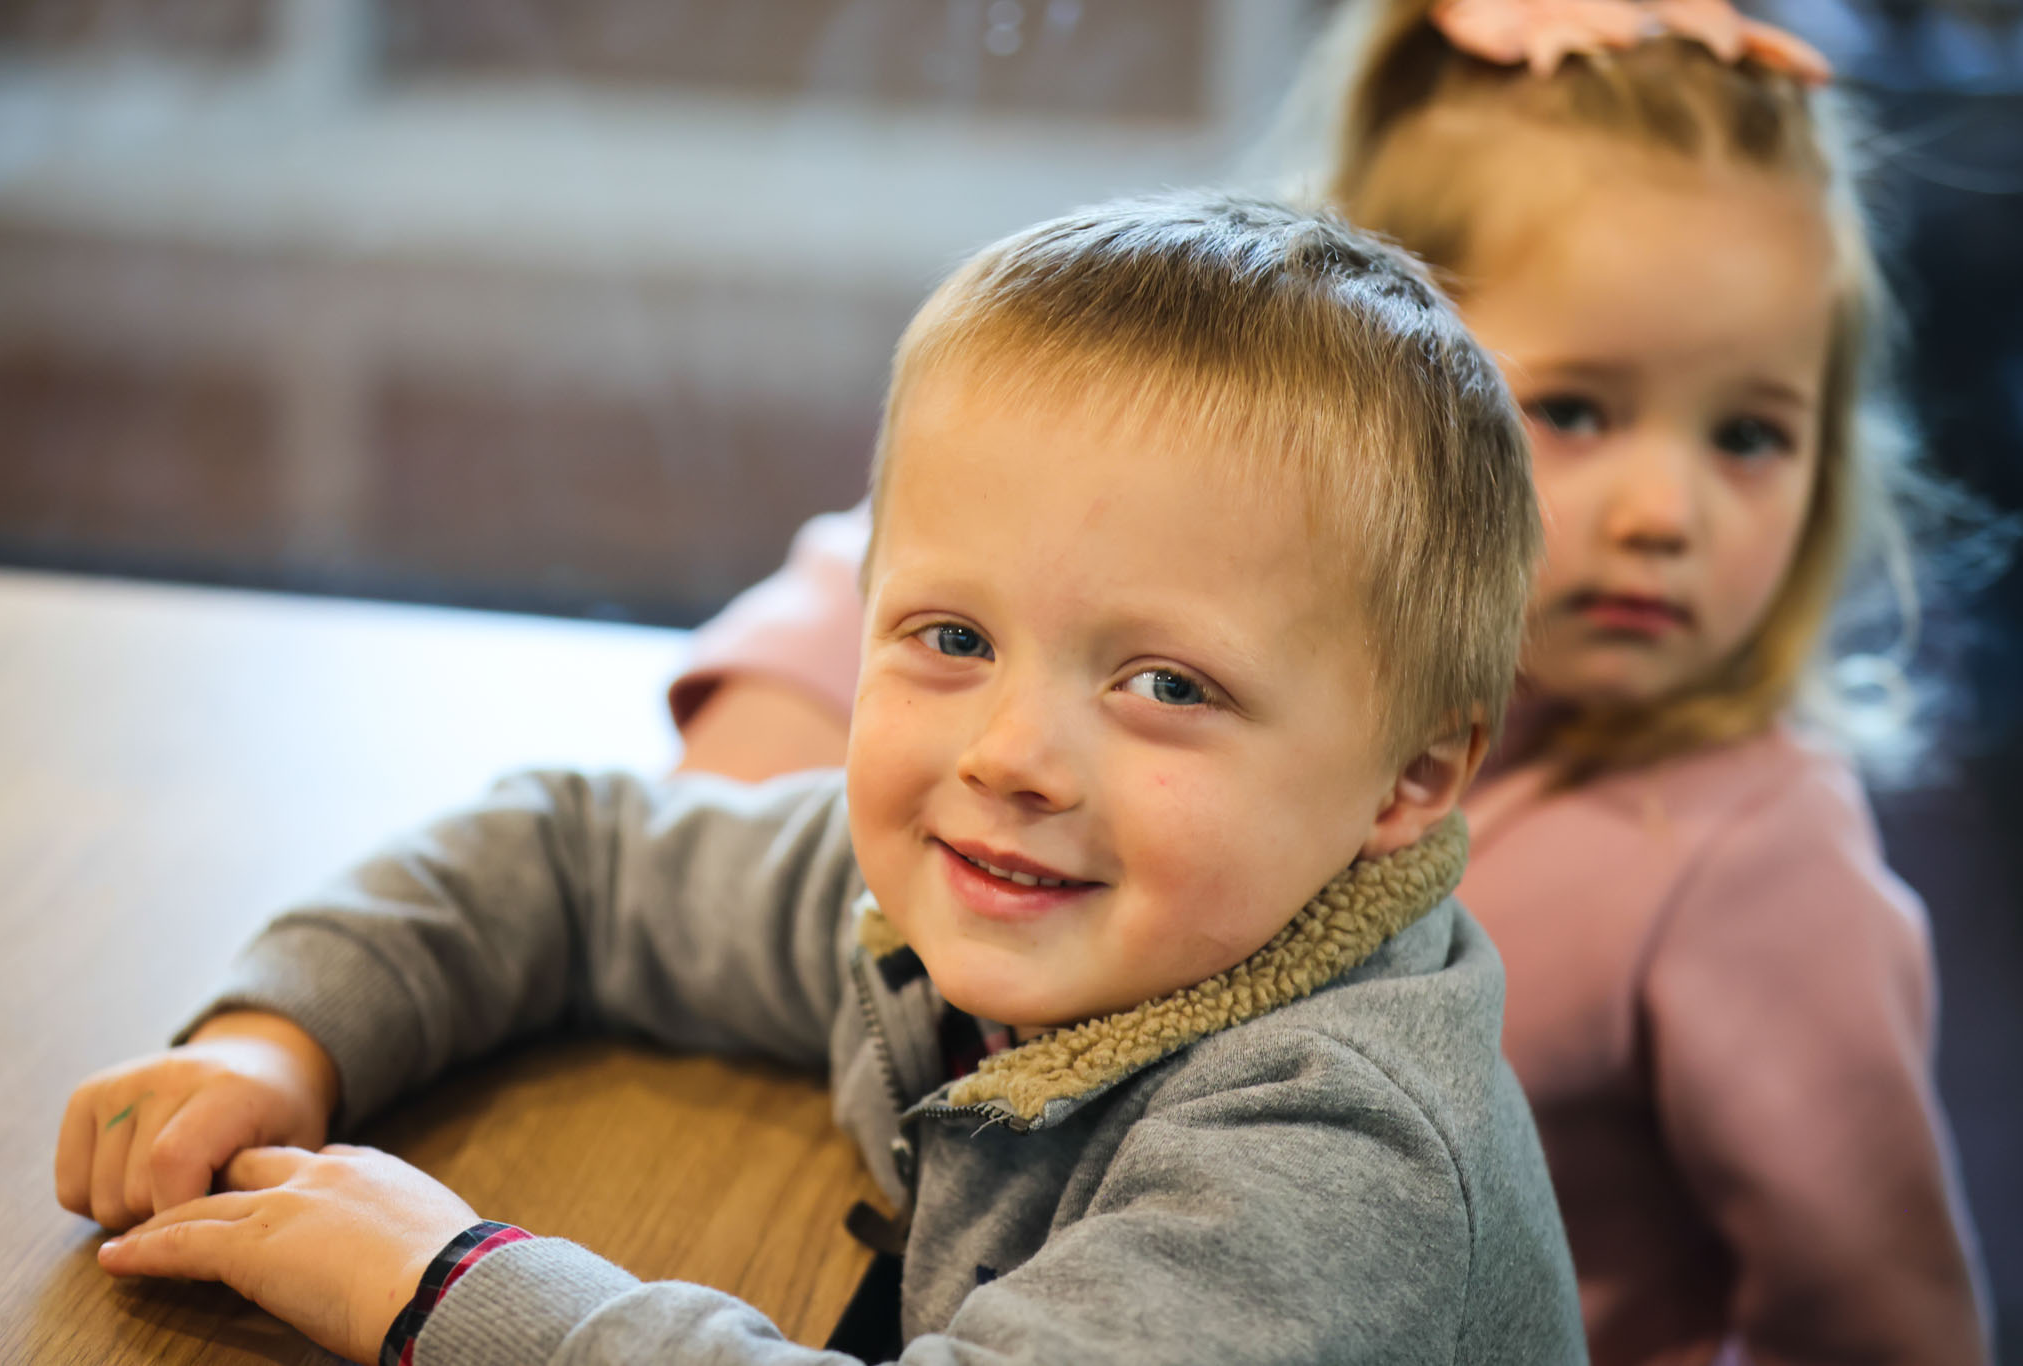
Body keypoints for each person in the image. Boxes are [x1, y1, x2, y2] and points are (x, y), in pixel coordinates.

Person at [663, 3, 1994, 1363]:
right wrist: (785, 820)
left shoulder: (1757, 859)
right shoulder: (1188, 639)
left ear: (1427, 776)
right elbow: (896, 593)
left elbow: (1888, 1322)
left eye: (1751, 434)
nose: (1668, 510)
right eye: (1581, 411)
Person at [53, 195, 1587, 1366]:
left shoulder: (1342, 1154)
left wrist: (448, 1284)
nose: (1008, 755)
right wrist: (278, 1040)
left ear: (1412, 777)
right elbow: (576, 855)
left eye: (1167, 685)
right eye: (953, 635)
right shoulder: (970, 895)